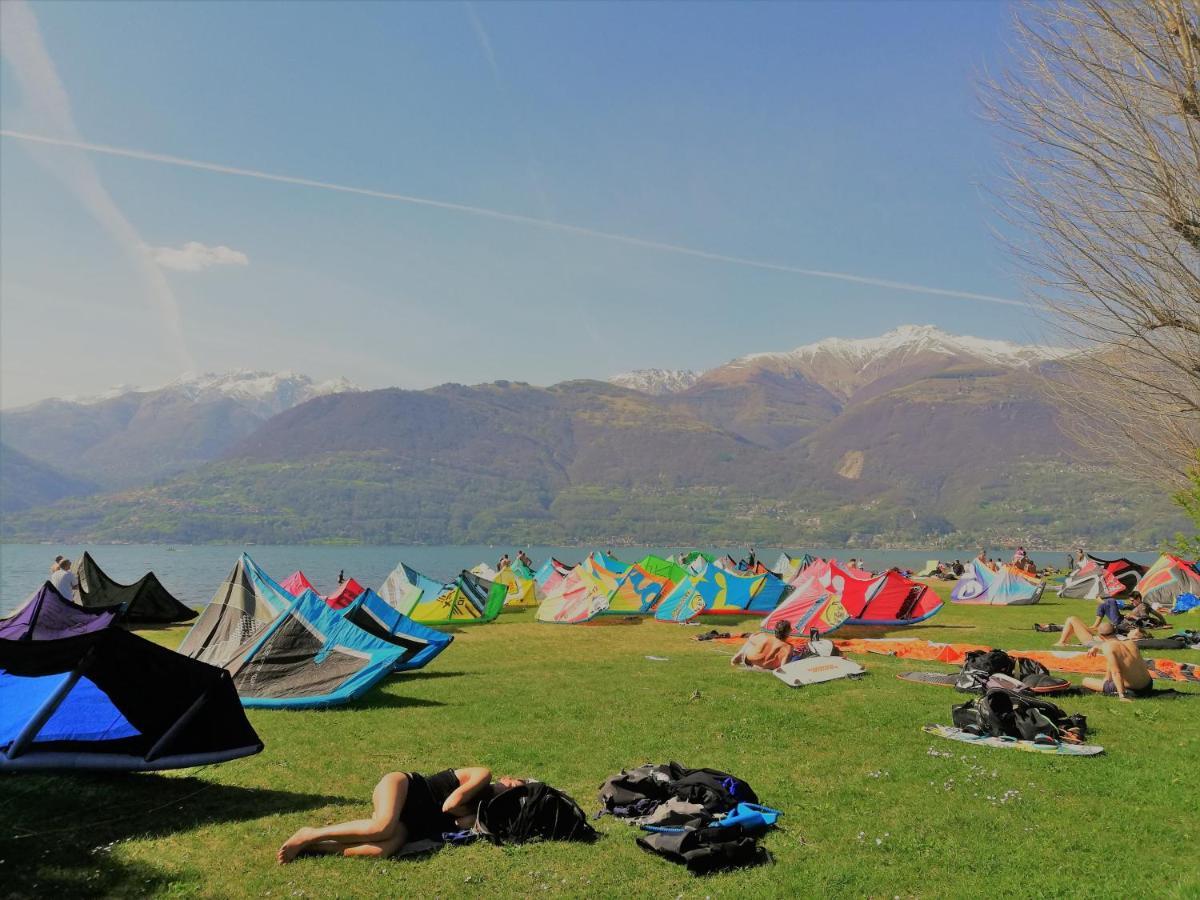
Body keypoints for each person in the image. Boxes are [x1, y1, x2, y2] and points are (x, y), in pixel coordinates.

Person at [277, 767, 527, 863]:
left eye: (519, 793)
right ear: (506, 778)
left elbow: (461, 821)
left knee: (382, 850)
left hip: (411, 823)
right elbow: (451, 806)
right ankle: (310, 834)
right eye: (517, 783)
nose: (513, 789)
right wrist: (473, 813)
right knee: (382, 828)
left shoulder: (486, 811)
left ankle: (315, 848)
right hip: (404, 788)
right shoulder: (483, 774)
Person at [1080, 622, 1154, 701]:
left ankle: (1109, 686)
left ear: (1100, 636)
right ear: (1115, 631)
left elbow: (1116, 673)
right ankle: (1107, 681)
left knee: (1085, 681)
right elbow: (1115, 644)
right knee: (1111, 660)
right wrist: (1097, 647)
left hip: (1133, 690)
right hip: (1148, 685)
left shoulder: (1108, 647)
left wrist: (1122, 695)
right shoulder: (1130, 642)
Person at [1051, 594, 1124, 647]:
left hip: (1094, 640)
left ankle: (1062, 642)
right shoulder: (1128, 638)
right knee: (1105, 604)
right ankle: (1063, 641)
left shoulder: (1118, 642)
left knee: (1071, 619)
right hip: (1105, 636)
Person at [730, 620, 796, 671]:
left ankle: (737, 657)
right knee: (791, 655)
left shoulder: (764, 637)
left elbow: (751, 637)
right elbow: (784, 667)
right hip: (768, 668)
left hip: (750, 661)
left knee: (750, 643)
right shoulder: (788, 647)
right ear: (788, 632)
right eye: (790, 629)